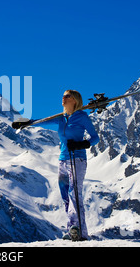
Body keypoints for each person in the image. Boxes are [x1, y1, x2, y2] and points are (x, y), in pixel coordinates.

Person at [45, 90, 99, 241]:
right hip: (63, 160)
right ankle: (72, 230)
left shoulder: (82, 117)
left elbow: (95, 138)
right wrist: (26, 123)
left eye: (67, 96)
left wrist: (81, 144)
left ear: (75, 100)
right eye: (63, 95)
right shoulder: (61, 119)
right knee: (65, 195)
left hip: (77, 159)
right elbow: (43, 121)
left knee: (74, 192)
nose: (63, 98)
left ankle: (80, 232)